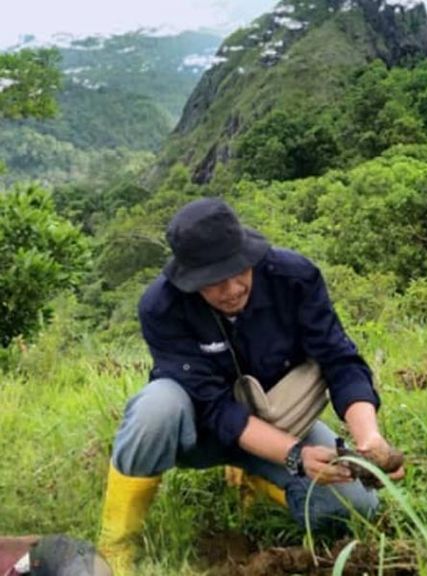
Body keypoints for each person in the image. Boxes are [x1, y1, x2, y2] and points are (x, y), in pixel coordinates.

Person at [97, 198, 402, 574]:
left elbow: (340, 361)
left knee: (355, 509)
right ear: (189, 280)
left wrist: (368, 440)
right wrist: (296, 456)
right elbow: (214, 407)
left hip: (278, 427)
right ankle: (116, 545)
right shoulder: (161, 307)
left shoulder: (294, 279)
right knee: (156, 406)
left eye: (237, 271)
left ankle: (259, 477)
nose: (231, 289)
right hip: (201, 432)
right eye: (212, 282)